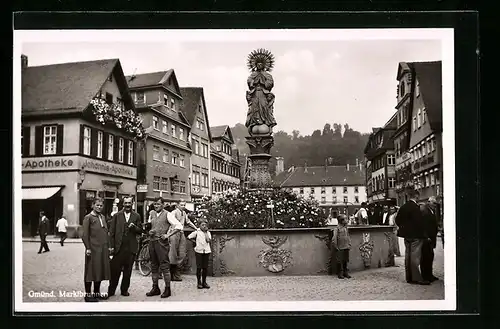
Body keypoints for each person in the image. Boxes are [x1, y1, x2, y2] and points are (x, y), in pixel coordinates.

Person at [146, 197, 183, 298]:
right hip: (152, 242)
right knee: (153, 266)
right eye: (155, 204)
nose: (156, 206)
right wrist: (150, 231)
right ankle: (155, 288)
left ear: (163, 205)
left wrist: (168, 235)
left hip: (162, 243)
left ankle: (167, 289)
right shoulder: (152, 213)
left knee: (164, 266)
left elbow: (179, 226)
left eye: (158, 204)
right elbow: (150, 225)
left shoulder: (168, 214)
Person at [108, 197, 143, 297]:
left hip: (130, 248)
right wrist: (111, 247)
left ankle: (124, 290)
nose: (127, 205)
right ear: (123, 204)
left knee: (127, 272)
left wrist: (134, 227)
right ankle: (111, 290)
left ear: (132, 204)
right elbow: (112, 233)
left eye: (129, 203)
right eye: (126, 203)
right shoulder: (117, 216)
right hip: (118, 248)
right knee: (115, 271)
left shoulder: (136, 216)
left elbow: (140, 230)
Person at [395, 189, 430, 285]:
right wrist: (424, 235)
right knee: (415, 257)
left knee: (408, 256)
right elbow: (419, 223)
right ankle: (417, 278)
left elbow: (397, 220)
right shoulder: (415, 208)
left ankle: (409, 277)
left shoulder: (403, 207)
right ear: (416, 196)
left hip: (406, 235)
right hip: (416, 236)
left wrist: (404, 228)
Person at [82, 197, 111, 302]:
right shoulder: (88, 218)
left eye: (101, 205)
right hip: (93, 249)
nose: (99, 207)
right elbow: (85, 235)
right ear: (92, 205)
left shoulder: (102, 217)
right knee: (90, 271)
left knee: (99, 270)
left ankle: (96, 293)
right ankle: (88, 295)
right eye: (97, 205)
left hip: (102, 249)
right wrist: (88, 248)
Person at [168, 200, 198, 281]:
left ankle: (176, 272)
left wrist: (196, 228)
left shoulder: (184, 213)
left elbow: (188, 222)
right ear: (177, 205)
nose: (183, 206)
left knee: (182, 253)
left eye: (184, 205)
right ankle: (172, 274)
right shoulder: (173, 213)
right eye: (181, 205)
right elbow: (169, 222)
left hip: (181, 233)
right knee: (173, 253)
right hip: (174, 233)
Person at [188, 219, 212, 289]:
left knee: (205, 268)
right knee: (199, 267)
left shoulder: (208, 233)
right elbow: (189, 237)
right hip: (199, 251)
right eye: (202, 225)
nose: (204, 226)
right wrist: (195, 243)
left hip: (206, 251)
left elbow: (208, 240)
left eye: (205, 225)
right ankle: (199, 282)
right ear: (199, 226)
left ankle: (204, 282)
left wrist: (205, 233)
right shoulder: (196, 232)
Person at [420, 196, 439, 282]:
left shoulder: (431, 211)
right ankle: (425, 276)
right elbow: (422, 226)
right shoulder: (425, 211)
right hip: (426, 239)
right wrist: (426, 236)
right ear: (429, 202)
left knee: (430, 257)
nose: (435, 205)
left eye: (436, 203)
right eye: (433, 203)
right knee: (425, 258)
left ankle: (429, 275)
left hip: (431, 238)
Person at [331, 214, 352, 279]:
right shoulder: (337, 229)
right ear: (341, 221)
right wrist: (336, 246)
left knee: (345, 260)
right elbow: (334, 238)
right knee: (339, 260)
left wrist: (349, 243)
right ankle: (340, 273)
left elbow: (348, 236)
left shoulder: (346, 228)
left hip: (346, 246)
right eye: (346, 219)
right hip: (340, 247)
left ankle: (345, 272)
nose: (347, 220)